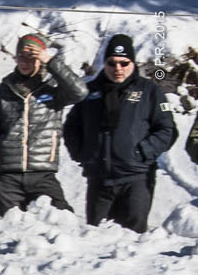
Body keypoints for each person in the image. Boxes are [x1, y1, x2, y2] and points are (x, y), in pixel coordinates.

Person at [63, 34, 177, 234]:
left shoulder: (150, 91)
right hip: (99, 181)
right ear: (105, 63)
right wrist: (83, 153)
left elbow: (167, 130)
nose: (118, 68)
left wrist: (142, 152)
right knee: (95, 241)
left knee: (133, 244)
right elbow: (71, 128)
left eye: (124, 63)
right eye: (112, 63)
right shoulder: (89, 92)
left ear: (132, 63)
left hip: (135, 180)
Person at [0, 34, 84, 216]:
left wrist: (50, 60)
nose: (25, 62)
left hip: (42, 174)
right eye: (21, 57)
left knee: (61, 220)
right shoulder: (3, 90)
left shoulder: (53, 89)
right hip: (8, 177)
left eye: (31, 57)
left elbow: (80, 91)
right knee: (11, 233)